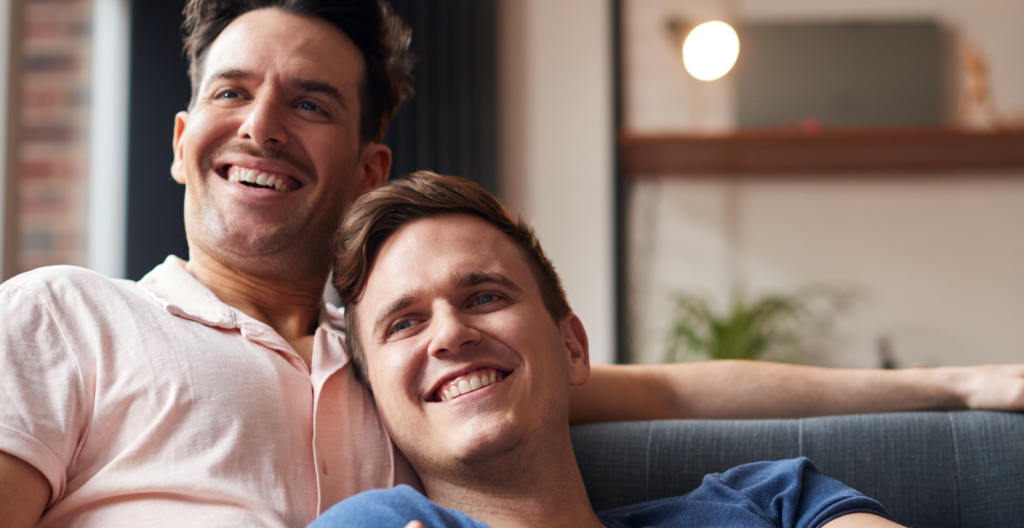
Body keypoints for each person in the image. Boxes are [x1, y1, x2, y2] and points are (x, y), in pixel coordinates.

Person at [0, 0, 1021, 526]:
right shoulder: (63, 317)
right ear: (180, 138)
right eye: (230, 94)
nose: (259, 126)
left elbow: (673, 386)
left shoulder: (402, 370)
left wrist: (962, 382)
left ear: (367, 168)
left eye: (308, 102)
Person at [318, 171, 901, 528]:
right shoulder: (379, 524)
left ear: (572, 348)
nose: (449, 334)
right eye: (403, 324)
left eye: (485, 296)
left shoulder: (771, 501)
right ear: (374, 398)